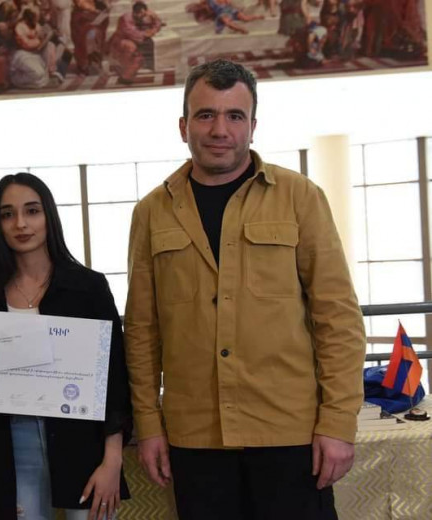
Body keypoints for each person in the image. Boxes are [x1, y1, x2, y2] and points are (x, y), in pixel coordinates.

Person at [124, 59, 366, 519]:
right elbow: (141, 330)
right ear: (183, 126)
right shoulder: (151, 213)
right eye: (206, 115)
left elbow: (337, 318)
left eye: (235, 116)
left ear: (253, 127)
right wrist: (149, 424)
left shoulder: (300, 197)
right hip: (195, 439)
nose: (220, 130)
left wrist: (337, 422)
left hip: (289, 433)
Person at [0, 173, 132, 519]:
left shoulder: (88, 288)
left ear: (49, 216)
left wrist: (113, 461)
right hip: (8, 448)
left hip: (83, 445)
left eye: (32, 211)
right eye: (7, 214)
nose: (20, 223)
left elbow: (115, 382)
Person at [107, 1, 162, 84]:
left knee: (139, 55)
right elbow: (132, 33)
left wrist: (154, 18)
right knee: (132, 49)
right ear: (135, 13)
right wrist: (146, 33)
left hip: (136, 40)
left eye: (144, 14)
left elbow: (157, 24)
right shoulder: (125, 18)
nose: (142, 16)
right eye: (140, 14)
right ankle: (125, 75)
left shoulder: (145, 16)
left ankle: (128, 74)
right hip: (122, 40)